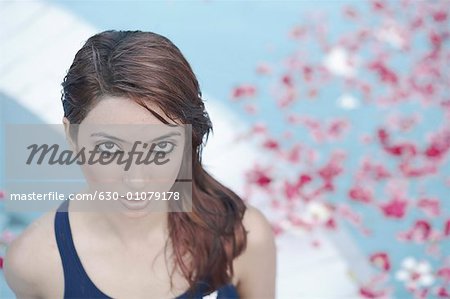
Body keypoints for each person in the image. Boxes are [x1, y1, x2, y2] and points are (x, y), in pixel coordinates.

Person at [3, 30, 276, 299]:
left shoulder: (242, 239)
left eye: (161, 147)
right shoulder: (35, 264)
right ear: (72, 136)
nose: (136, 179)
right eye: (109, 148)